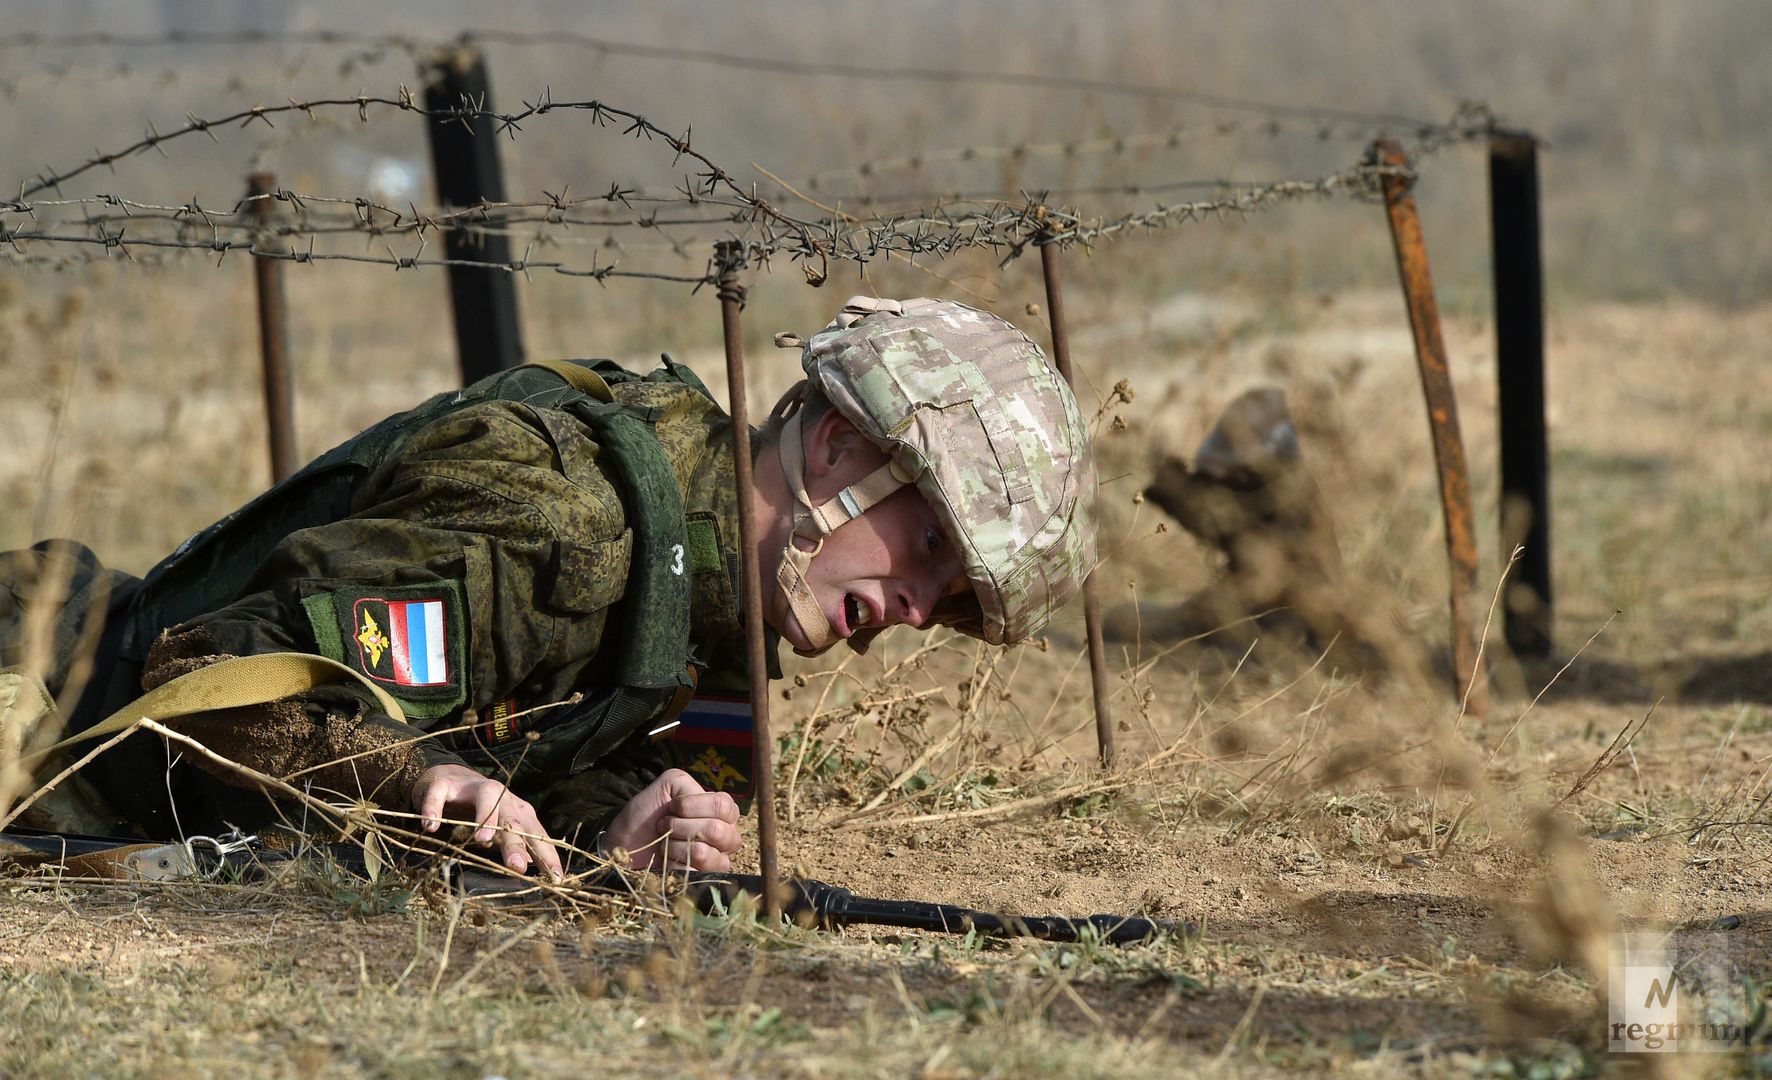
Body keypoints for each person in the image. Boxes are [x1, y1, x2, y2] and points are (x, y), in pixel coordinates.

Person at [0, 296, 1096, 880]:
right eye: (926, 550)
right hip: (42, 708)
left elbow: (536, 766)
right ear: (842, 451)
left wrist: (611, 839)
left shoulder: (719, 625)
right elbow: (216, 676)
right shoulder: (563, 524)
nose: (915, 608)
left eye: (945, 598)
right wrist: (425, 775)